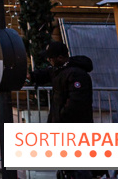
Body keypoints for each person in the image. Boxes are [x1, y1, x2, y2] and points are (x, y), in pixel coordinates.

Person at [30, 41, 95, 179]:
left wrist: (60, 117)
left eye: (51, 58)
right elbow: (46, 73)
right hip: (63, 126)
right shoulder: (60, 70)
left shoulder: (76, 74)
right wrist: (31, 76)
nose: (49, 60)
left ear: (60, 58)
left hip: (73, 127)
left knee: (76, 165)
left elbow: (76, 103)